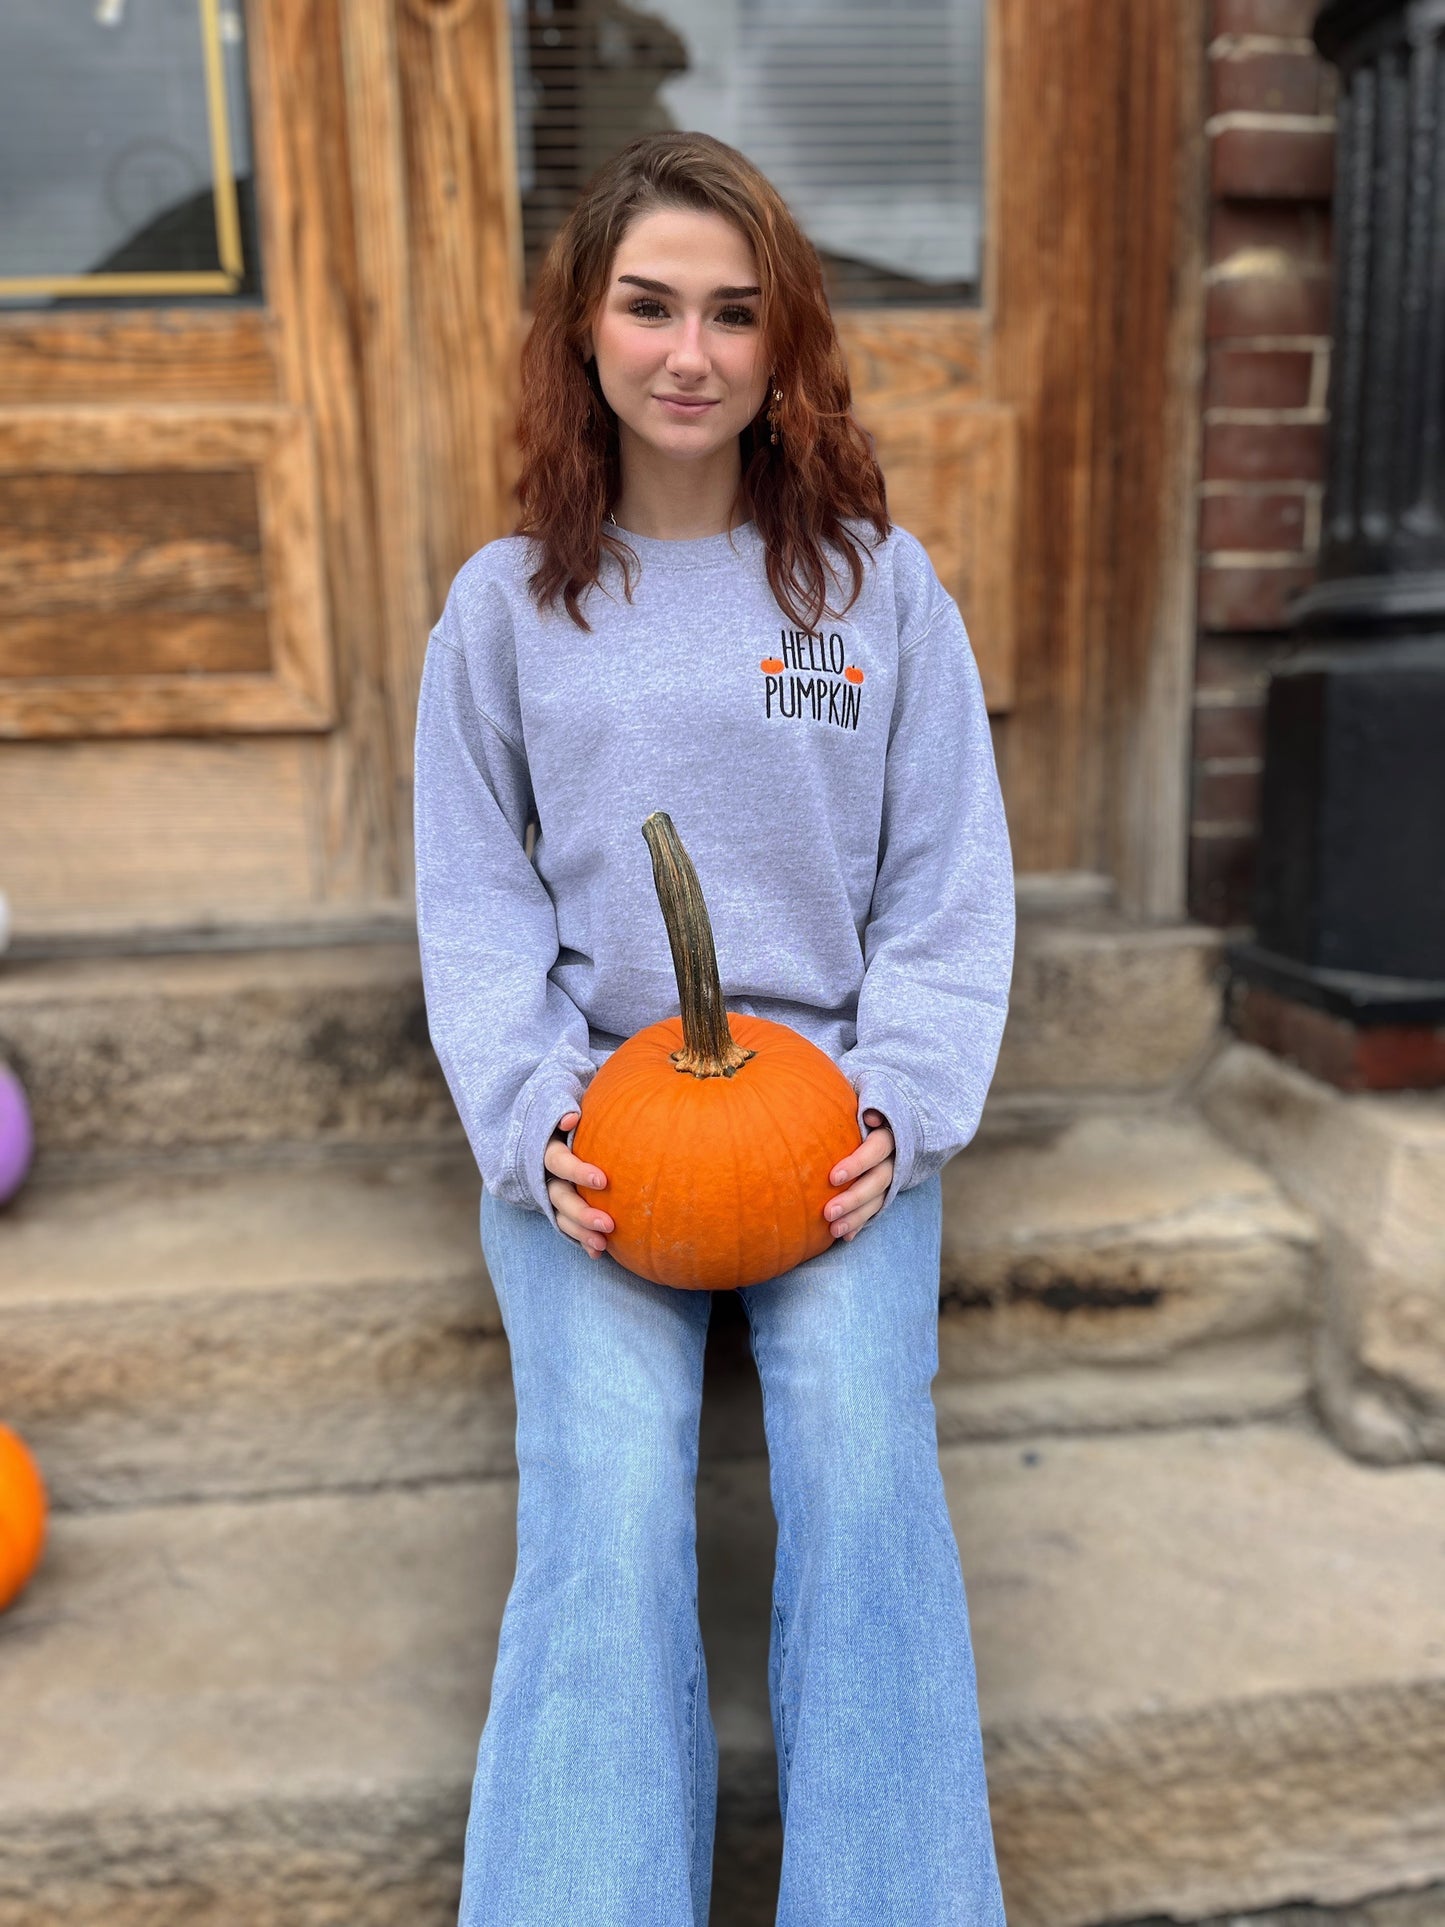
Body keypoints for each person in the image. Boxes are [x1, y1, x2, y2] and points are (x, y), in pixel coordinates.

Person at [413, 128, 1015, 1927]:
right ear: (584, 333)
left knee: (859, 1475)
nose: (690, 352)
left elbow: (945, 880)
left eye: (734, 315)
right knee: (601, 1510)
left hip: (832, 1131)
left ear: (782, 343)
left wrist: (903, 1107)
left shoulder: (871, 588)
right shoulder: (504, 609)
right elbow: (473, 899)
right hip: (606, 1138)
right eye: (650, 305)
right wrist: (533, 1127)